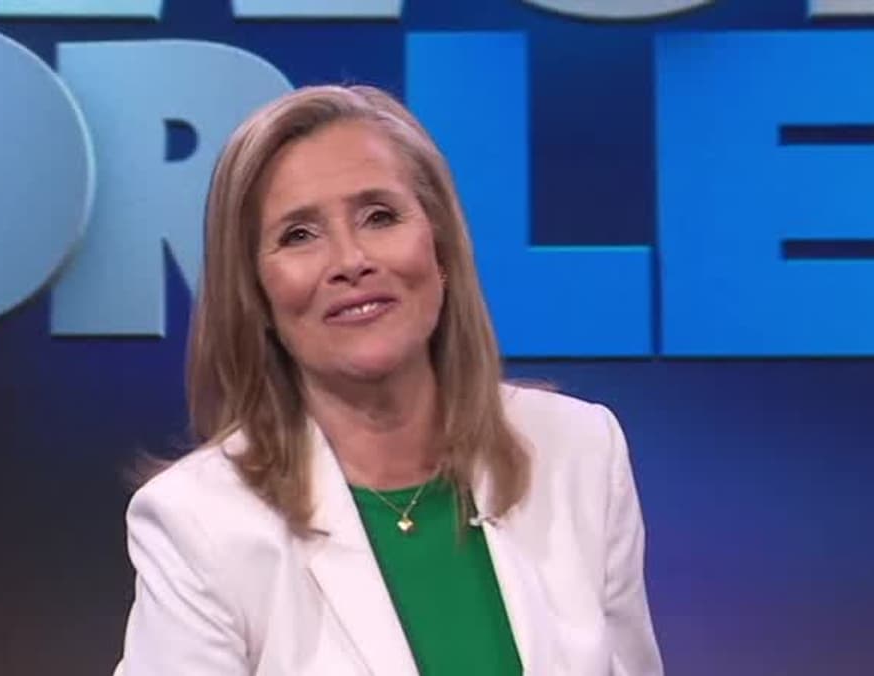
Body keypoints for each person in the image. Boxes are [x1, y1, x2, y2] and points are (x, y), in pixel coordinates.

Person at [114, 84, 663, 675]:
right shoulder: (198, 522)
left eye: (379, 216)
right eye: (299, 235)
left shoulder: (578, 451)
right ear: (255, 293)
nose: (351, 261)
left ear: (441, 249)